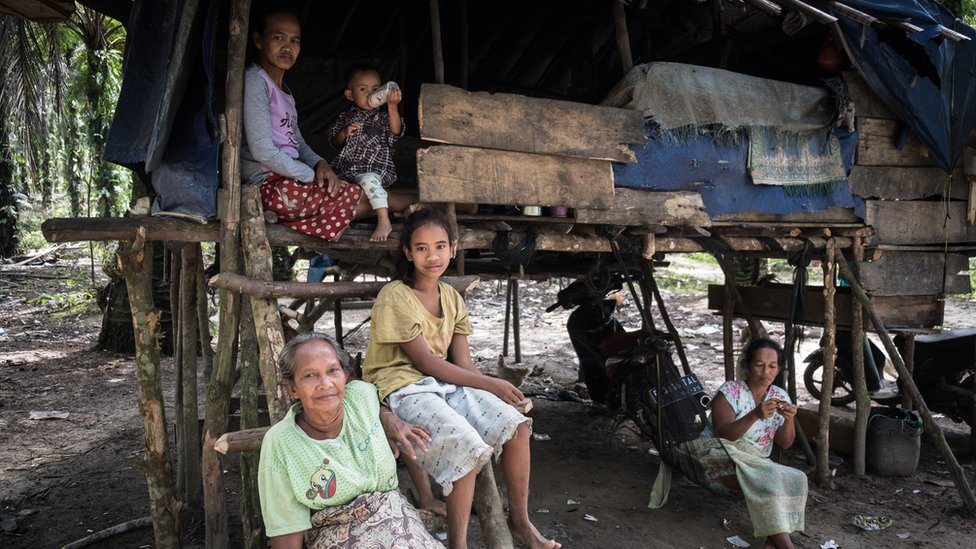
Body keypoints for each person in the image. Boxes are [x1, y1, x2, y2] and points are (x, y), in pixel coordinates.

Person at [363, 208, 560, 549]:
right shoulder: (395, 295)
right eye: (421, 248)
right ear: (408, 252)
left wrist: (494, 389)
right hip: (401, 388)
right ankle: (458, 544)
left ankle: (521, 522)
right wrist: (491, 383)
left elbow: (462, 363)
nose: (432, 255)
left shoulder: (452, 298)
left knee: (518, 426)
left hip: (444, 385)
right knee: (466, 447)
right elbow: (426, 362)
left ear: (452, 249)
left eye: (440, 246)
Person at [257, 332, 444, 549]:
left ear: (345, 375)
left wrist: (387, 417)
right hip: (338, 537)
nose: (325, 383)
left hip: (400, 524)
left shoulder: (362, 397)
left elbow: (375, 405)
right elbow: (286, 530)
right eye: (310, 375)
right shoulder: (282, 443)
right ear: (292, 388)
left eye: (332, 371)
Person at [241, 9, 413, 242]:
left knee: (362, 192)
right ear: (258, 40)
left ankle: (434, 202)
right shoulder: (255, 80)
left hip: (289, 177)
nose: (288, 47)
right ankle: (435, 203)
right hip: (267, 185)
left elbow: (297, 141)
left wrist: (321, 164)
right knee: (359, 194)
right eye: (278, 37)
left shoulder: (285, 93)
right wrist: (310, 175)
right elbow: (262, 150)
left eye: (295, 40)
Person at [655, 338, 807, 549]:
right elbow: (725, 434)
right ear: (746, 366)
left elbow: (785, 442)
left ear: (779, 368)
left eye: (772, 366)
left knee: (797, 477)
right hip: (716, 451)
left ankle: (774, 543)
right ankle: (785, 546)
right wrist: (754, 415)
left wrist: (789, 419)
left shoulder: (779, 396)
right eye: (759, 364)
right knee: (768, 480)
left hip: (754, 462)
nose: (766, 372)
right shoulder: (731, 391)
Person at [328, 65, 403, 242]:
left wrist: (392, 107)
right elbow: (334, 142)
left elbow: (396, 133)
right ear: (350, 95)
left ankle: (384, 221)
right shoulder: (345, 118)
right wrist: (344, 133)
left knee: (369, 180)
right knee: (332, 188)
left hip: (374, 170)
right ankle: (338, 221)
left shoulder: (383, 118)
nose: (370, 94)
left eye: (376, 90)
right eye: (363, 89)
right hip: (347, 170)